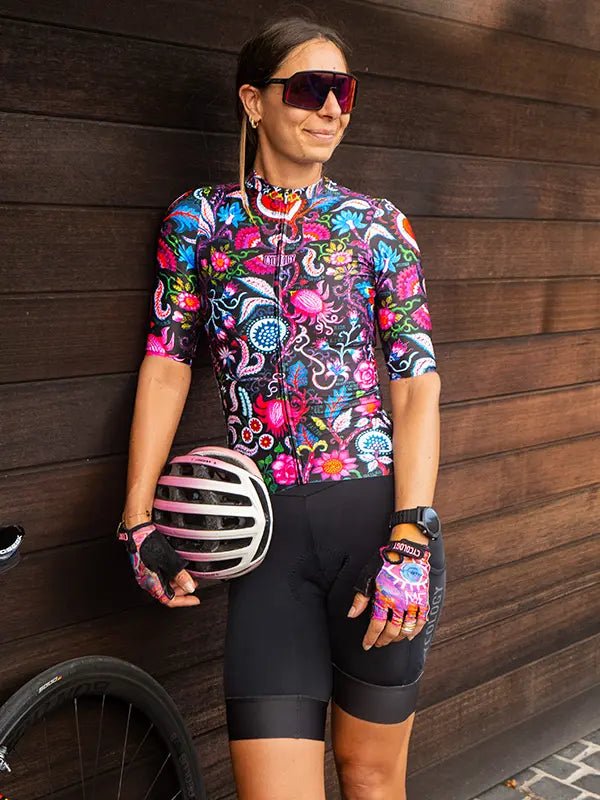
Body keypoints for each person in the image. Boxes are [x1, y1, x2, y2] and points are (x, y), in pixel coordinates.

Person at [120, 14, 446, 800]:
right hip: (267, 554)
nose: (331, 108)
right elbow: (167, 365)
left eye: (344, 92)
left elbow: (416, 383)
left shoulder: (378, 226)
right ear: (254, 101)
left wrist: (410, 537)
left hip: (376, 538)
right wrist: (136, 518)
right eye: (309, 88)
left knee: (371, 779)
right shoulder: (197, 222)